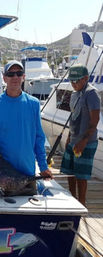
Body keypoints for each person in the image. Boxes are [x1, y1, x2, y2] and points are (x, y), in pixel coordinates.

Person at [0, 60, 53, 180]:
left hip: (27, 171)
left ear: (24, 77)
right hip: (1, 173)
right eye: (10, 74)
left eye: (19, 73)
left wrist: (43, 166)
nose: (15, 77)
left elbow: (39, 138)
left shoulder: (34, 103)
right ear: (4, 78)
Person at [60, 64, 101, 206]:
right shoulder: (74, 93)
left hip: (87, 142)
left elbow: (95, 120)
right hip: (73, 140)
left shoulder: (92, 93)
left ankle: (81, 203)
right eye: (71, 80)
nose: (73, 83)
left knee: (81, 176)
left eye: (77, 80)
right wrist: (69, 138)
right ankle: (72, 199)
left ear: (86, 78)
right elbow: (74, 117)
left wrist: (84, 141)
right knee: (70, 172)